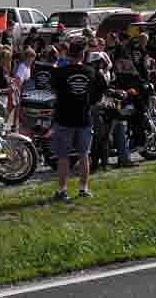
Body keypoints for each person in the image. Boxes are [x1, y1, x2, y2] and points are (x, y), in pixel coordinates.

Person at [51, 42, 106, 202]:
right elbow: (101, 89)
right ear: (82, 55)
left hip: (64, 117)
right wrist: (90, 101)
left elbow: (53, 89)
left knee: (63, 157)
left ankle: (62, 190)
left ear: (69, 54)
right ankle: (83, 189)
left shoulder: (60, 72)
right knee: (84, 155)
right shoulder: (91, 71)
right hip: (84, 117)